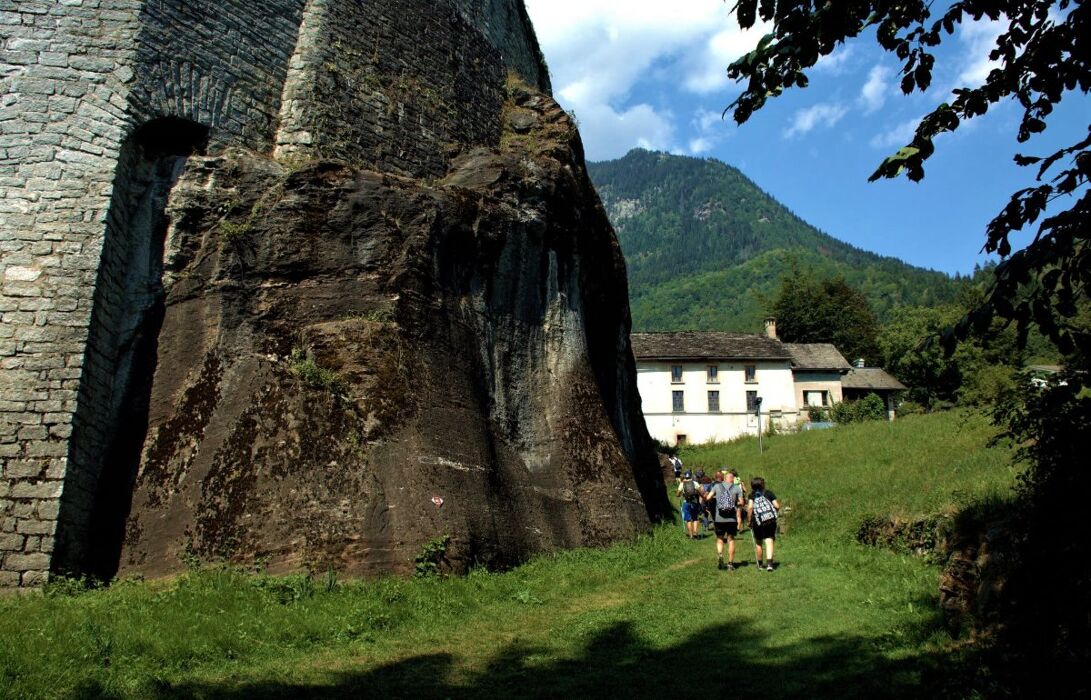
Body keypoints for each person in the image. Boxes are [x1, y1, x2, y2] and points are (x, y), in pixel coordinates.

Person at [704, 470, 743, 570]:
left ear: (724, 479)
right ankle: (730, 564)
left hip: (719, 518)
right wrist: (735, 503)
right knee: (731, 540)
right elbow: (741, 503)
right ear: (733, 479)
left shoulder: (717, 486)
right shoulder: (736, 488)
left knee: (720, 538)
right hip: (732, 519)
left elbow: (708, 498)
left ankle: (720, 554)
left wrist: (713, 497)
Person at [747, 476, 781, 571]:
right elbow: (777, 506)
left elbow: (750, 508)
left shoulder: (752, 495)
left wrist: (749, 520)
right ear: (763, 484)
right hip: (770, 521)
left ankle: (760, 564)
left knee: (758, 542)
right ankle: (770, 564)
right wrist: (772, 513)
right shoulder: (769, 493)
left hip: (757, 521)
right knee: (769, 540)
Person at [677, 470, 702, 539]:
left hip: (686, 503)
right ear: (691, 475)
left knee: (688, 520)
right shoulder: (695, 483)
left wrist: (681, 493)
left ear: (685, 476)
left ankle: (691, 535)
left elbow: (677, 494)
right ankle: (695, 533)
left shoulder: (682, 484)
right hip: (694, 503)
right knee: (695, 518)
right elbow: (700, 492)